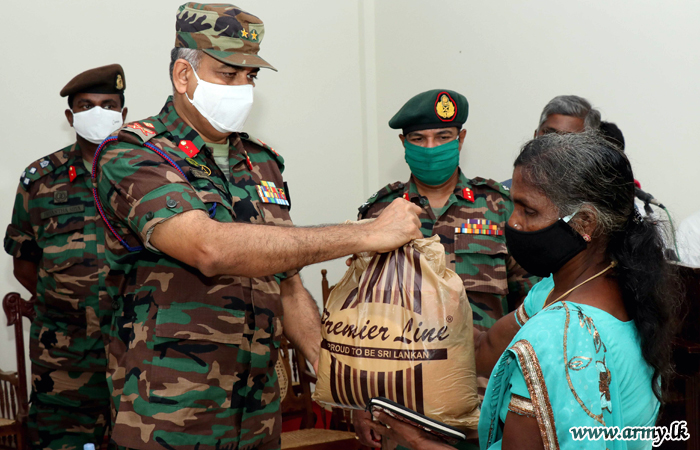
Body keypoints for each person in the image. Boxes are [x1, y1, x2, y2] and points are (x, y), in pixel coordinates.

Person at [92, 3, 421, 449]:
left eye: (251, 77)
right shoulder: (133, 152)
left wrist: (347, 392)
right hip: (167, 419)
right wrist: (365, 233)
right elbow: (210, 249)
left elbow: (287, 288)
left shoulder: (261, 161)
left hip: (257, 417)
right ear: (183, 76)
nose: (243, 88)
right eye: (229, 74)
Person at [364, 132, 679, 449]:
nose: (511, 223)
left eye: (528, 211)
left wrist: (416, 440)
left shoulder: (553, 335)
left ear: (585, 222)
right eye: (513, 205)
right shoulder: (618, 285)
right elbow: (485, 348)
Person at [354, 89, 539, 449]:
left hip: (485, 404)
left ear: (461, 139)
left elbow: (530, 308)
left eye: (443, 137)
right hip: (401, 407)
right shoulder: (379, 213)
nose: (431, 148)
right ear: (403, 143)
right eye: (419, 139)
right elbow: (361, 320)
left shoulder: (500, 208)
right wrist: (360, 404)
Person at [4, 64, 128, 449]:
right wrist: (72, 301)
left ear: (123, 115)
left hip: (138, 350)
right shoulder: (39, 180)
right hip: (64, 358)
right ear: (70, 116)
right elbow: (25, 263)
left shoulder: (151, 175)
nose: (98, 113)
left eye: (108, 105)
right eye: (86, 105)